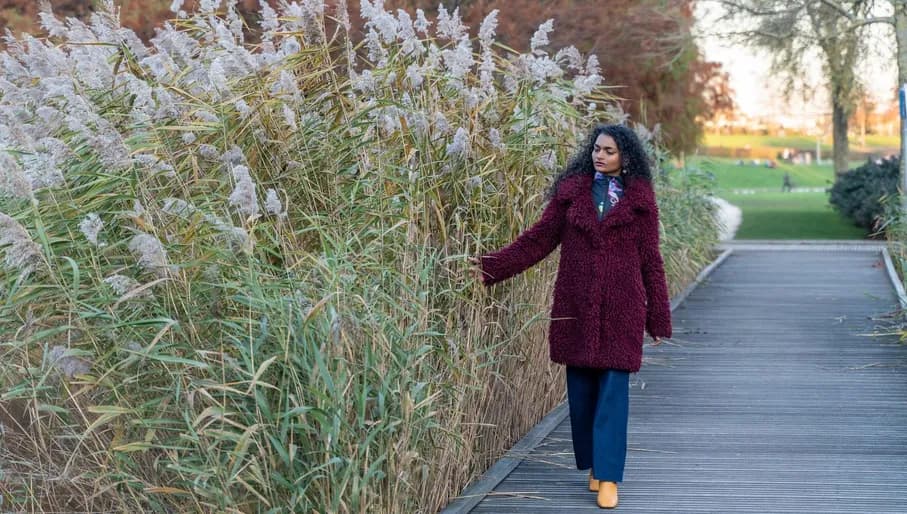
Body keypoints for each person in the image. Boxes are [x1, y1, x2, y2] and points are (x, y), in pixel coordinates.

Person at [468, 123, 672, 509]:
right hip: (576, 305)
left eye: (610, 151)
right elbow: (538, 241)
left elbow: (651, 261)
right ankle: (595, 463)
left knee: (613, 391)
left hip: (622, 309)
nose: (600, 155)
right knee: (581, 391)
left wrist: (657, 316)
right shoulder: (572, 194)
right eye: (597, 148)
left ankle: (609, 476)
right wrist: (487, 269)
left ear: (625, 157)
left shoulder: (640, 202)